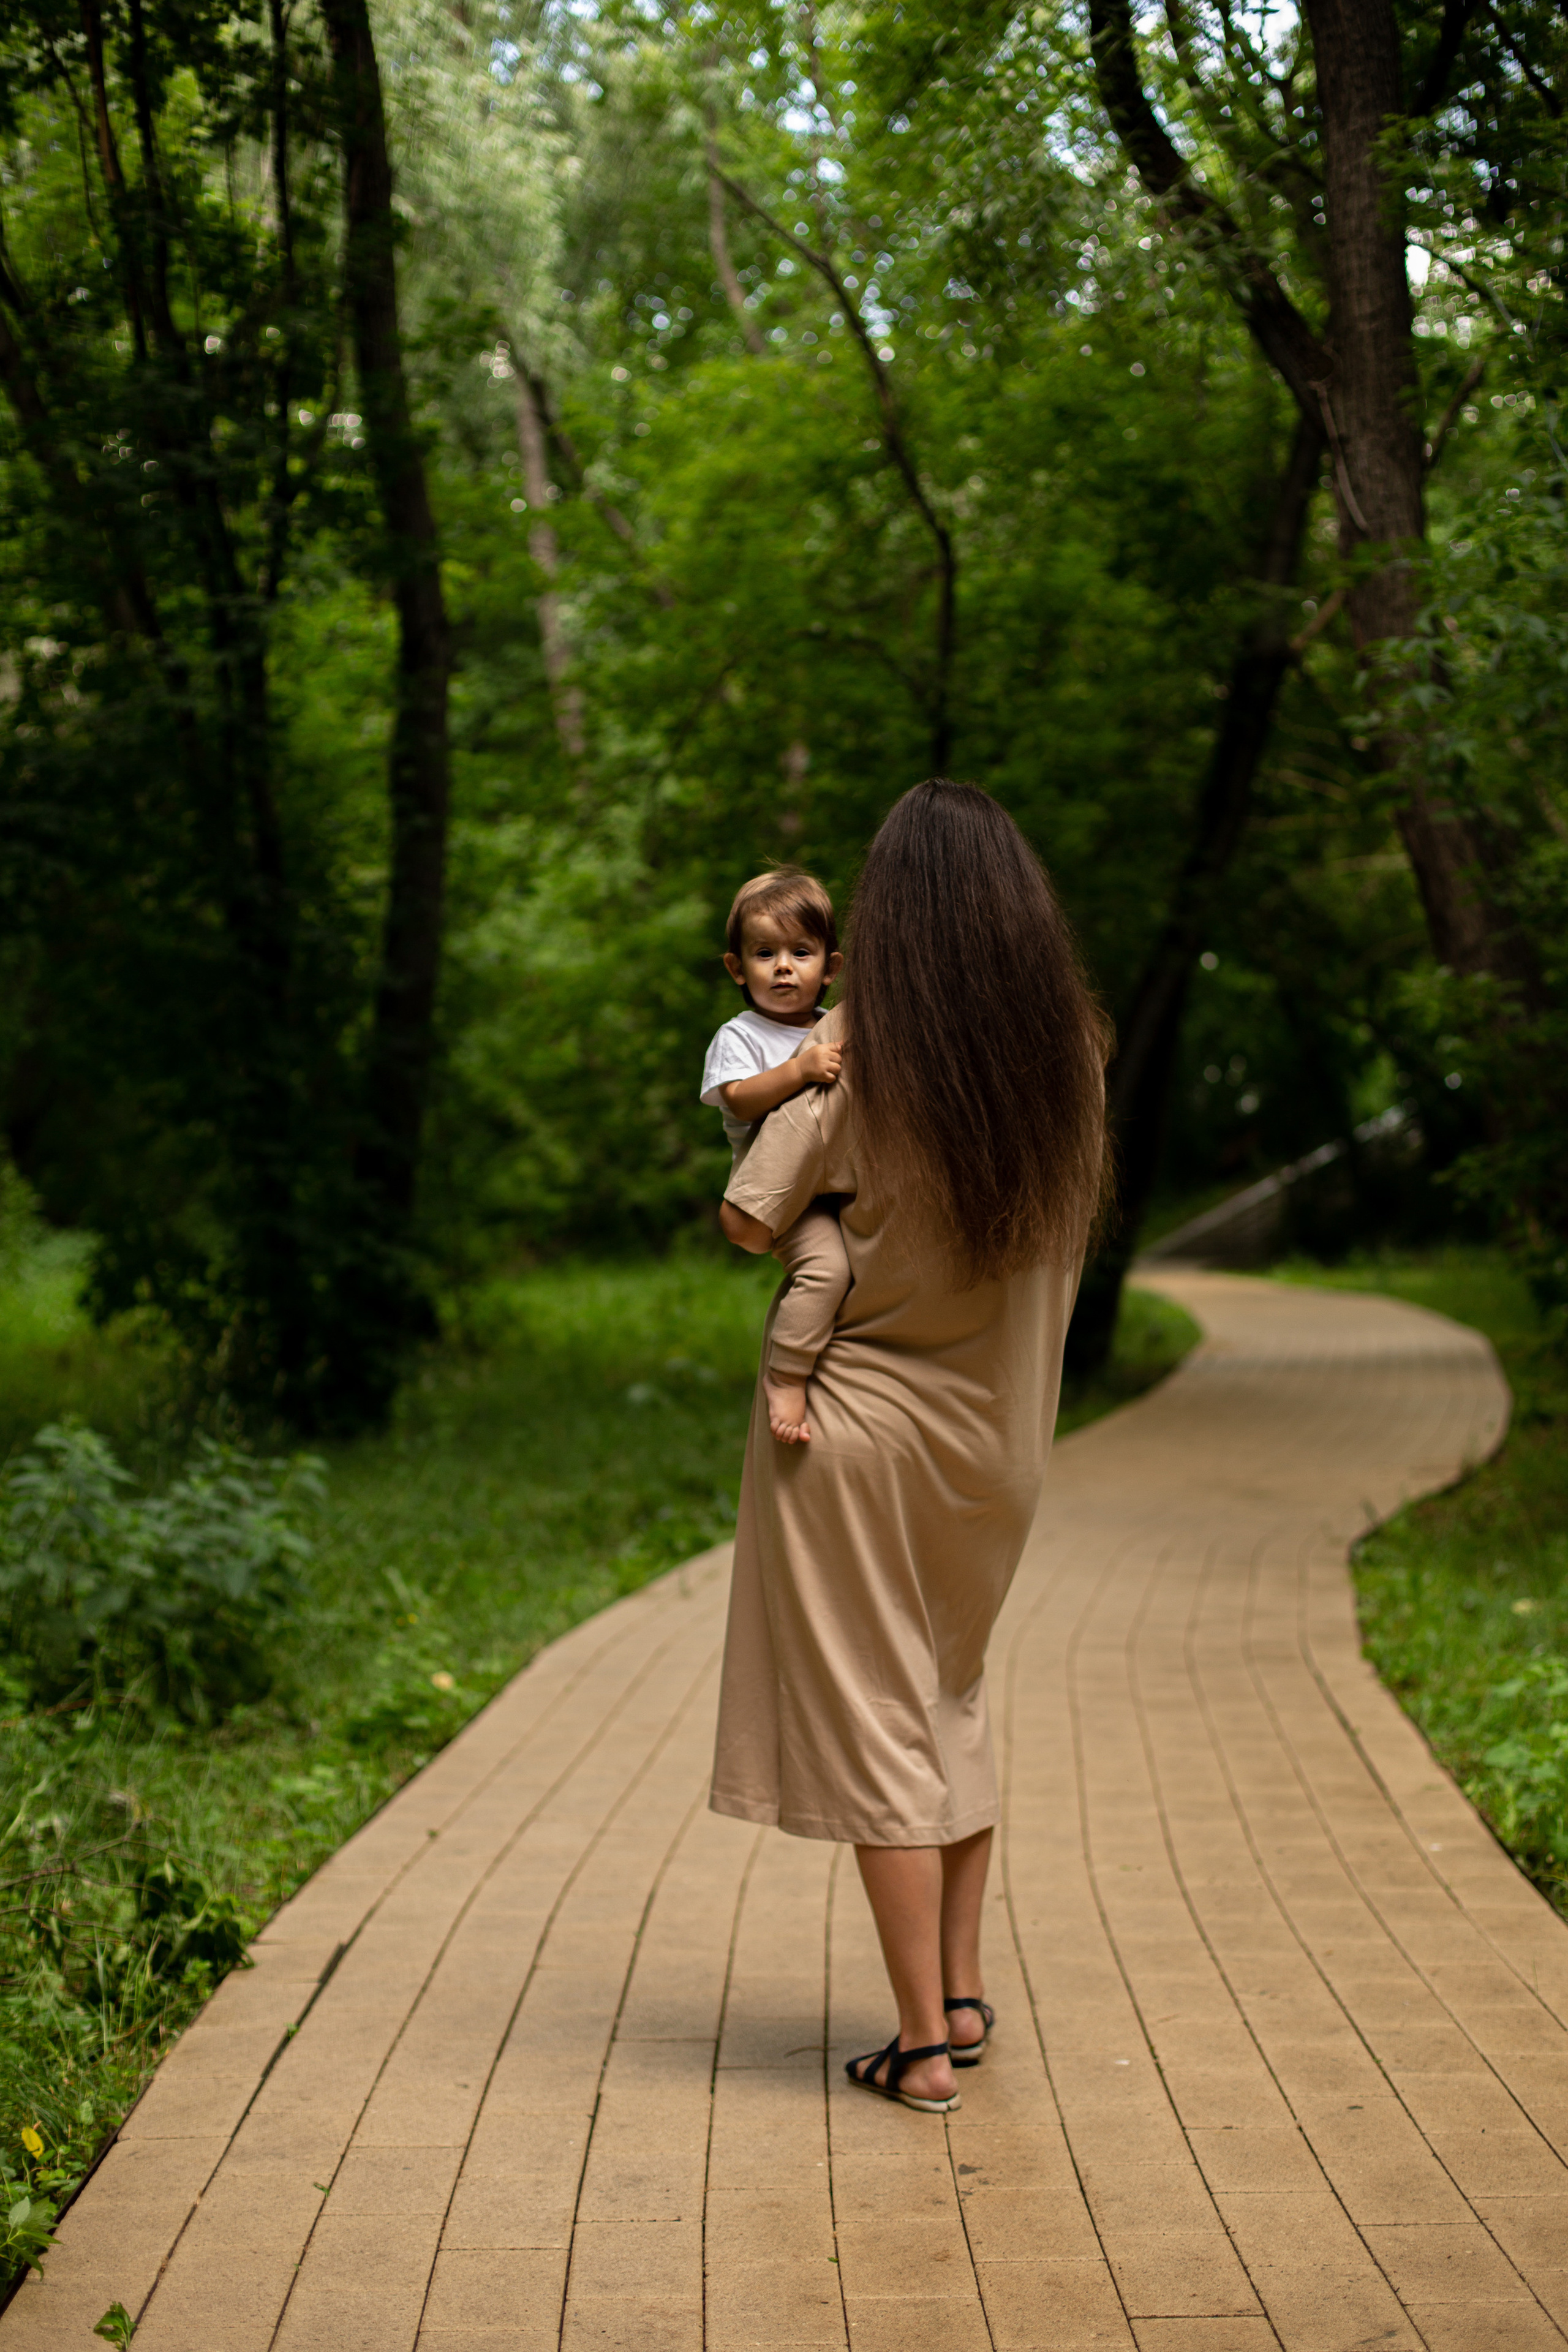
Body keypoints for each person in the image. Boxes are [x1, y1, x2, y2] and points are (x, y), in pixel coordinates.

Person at [712, 781, 1110, 2114]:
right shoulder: (1069, 1054)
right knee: (952, 1702)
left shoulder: (855, 1049)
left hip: (852, 1434)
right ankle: (961, 1994)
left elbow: (752, 1215)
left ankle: (919, 2049)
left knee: (883, 1725)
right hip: (1000, 1454)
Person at [700, 868, 853, 1446]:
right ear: (738, 969)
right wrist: (799, 1069)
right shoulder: (740, 1036)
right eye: (765, 953)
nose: (784, 966)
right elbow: (739, 1099)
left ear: (830, 968)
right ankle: (787, 1375)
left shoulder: (833, 1027)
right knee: (826, 1271)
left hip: (840, 1180)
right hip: (785, 1194)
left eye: (801, 952)